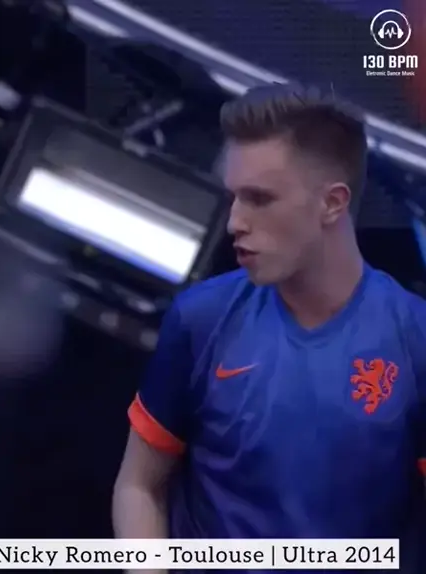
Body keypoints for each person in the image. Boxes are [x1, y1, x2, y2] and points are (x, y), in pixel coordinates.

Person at [112, 85, 426, 572]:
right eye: (234, 197)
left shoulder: (415, 339)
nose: (235, 222)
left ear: (332, 203)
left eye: (259, 199)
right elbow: (140, 485)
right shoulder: (201, 318)